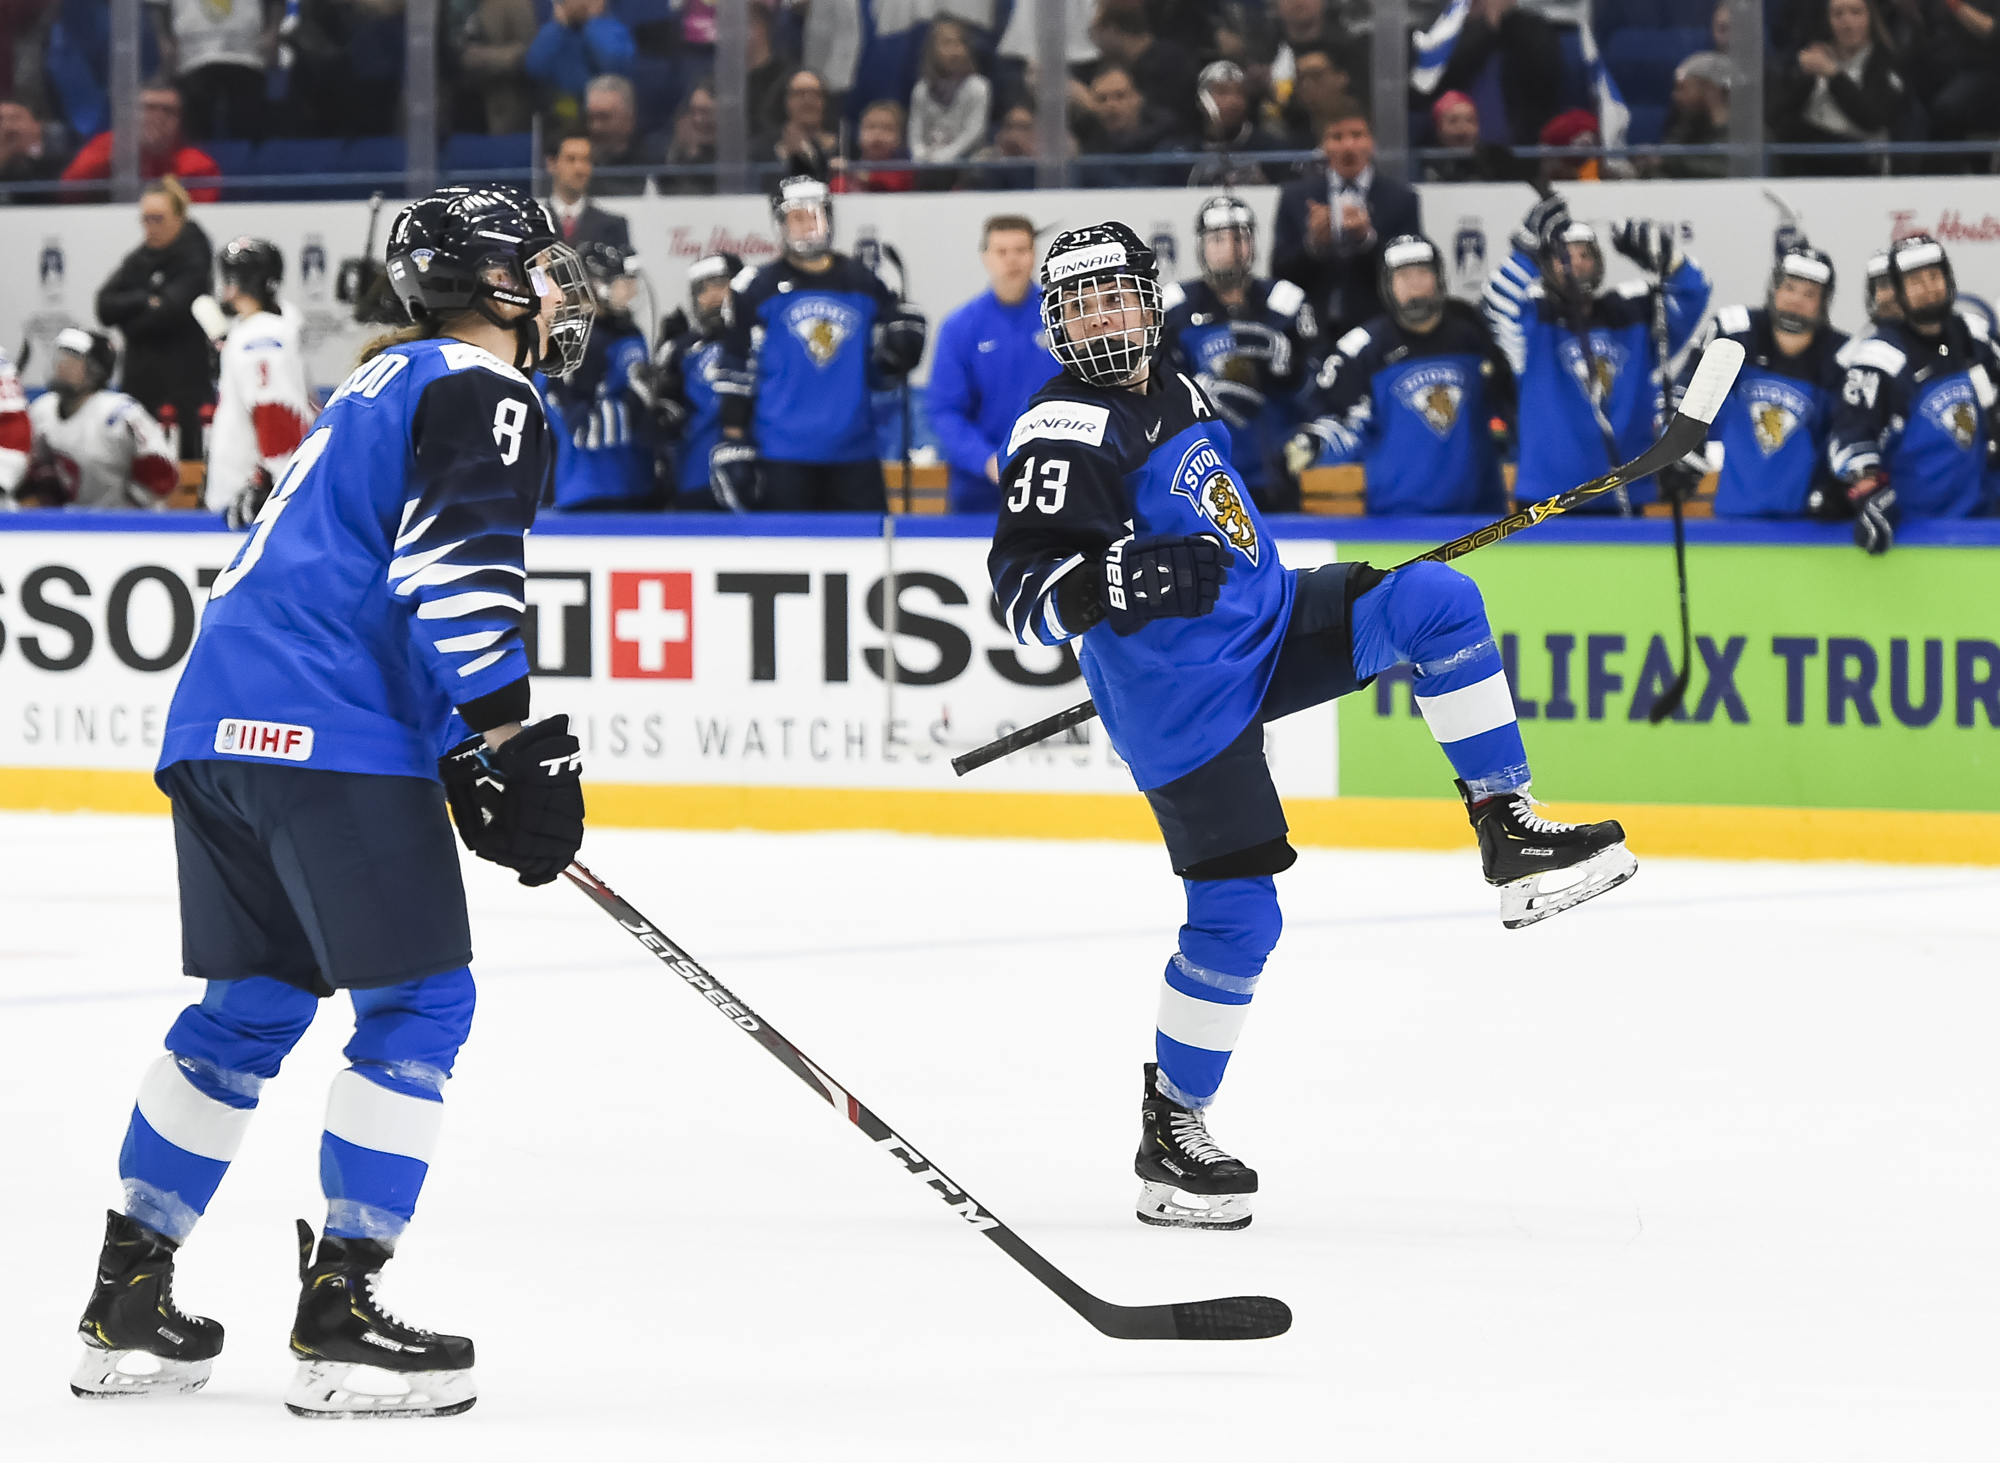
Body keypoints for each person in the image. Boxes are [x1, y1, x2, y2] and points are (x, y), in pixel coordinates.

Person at [988, 221, 1635, 1232]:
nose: (1100, 320)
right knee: (1241, 917)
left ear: (1149, 301)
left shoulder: (1176, 383)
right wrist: (1117, 579)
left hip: (1270, 621)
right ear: (1056, 323)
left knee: (1435, 602)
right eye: (1079, 306)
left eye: (1114, 296)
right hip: (1181, 705)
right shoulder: (1061, 429)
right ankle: (1172, 1126)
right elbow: (1021, 598)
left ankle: (1506, 829)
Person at [69, 183, 592, 1417]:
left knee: (248, 1006)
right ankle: (342, 1313)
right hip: (326, 730)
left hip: (220, 723)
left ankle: (125, 1301)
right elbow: (455, 564)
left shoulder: (377, 380)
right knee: (419, 1001)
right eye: (541, 268)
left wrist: (452, 744)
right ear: (493, 284)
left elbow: (358, 565)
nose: (560, 290)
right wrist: (506, 735)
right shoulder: (482, 384)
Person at [1481, 196, 1712, 508]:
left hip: (1623, 493)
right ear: (1546, 264)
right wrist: (1527, 249)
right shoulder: (1531, 324)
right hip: (1546, 497)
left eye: (1585, 254)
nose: (1576, 263)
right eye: (1564, 255)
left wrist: (1669, 259)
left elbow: (1694, 294)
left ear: (1599, 261)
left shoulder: (1634, 316)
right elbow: (1495, 306)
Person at [712, 175, 926, 512]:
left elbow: (883, 371)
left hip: (855, 453)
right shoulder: (755, 287)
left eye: (815, 215)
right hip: (782, 454)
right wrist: (733, 436)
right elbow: (735, 364)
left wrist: (903, 346)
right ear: (781, 224)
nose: (807, 225)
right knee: (789, 547)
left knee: (865, 546)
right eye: (796, 217)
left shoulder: (865, 282)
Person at [1285, 234, 1515, 514]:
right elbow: (1343, 425)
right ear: (1387, 285)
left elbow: (1511, 408)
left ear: (1439, 278)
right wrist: (1317, 443)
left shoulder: (1474, 337)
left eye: (1422, 273)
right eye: (1403, 276)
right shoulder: (1361, 350)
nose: (1414, 285)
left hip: (1479, 516)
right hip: (1397, 519)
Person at [1825, 233, 2000, 552]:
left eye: (1934, 276)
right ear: (1899, 291)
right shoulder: (1878, 356)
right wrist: (1868, 491)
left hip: (1981, 524)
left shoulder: (1972, 334)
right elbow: (1848, 436)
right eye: (1915, 281)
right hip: (1912, 534)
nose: (1928, 287)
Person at [1161, 195, 1322, 514]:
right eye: (1218, 240)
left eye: (1240, 238)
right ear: (1200, 246)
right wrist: (1192, 392)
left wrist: (1288, 370)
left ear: (1254, 243)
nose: (1230, 250)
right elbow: (1150, 392)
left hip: (1275, 480)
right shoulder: (1174, 306)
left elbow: (1319, 390)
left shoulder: (1286, 302)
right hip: (1200, 478)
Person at [1662, 244, 1847, 517]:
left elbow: (1850, 432)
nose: (1796, 300)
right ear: (1774, 287)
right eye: (1790, 288)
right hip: (1734, 518)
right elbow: (1684, 393)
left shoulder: (1841, 357)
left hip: (1806, 525)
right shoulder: (1735, 332)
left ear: (1825, 301)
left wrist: (1838, 488)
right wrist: (1679, 447)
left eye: (1809, 294)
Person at [95, 177, 215, 485]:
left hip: (183, 390)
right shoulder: (140, 258)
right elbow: (104, 305)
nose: (150, 227)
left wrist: (130, 319)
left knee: (184, 476)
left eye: (158, 219)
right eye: (145, 219)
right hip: (139, 385)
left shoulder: (194, 256)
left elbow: (171, 311)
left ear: (180, 217)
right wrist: (145, 300)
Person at [928, 215, 1049, 514]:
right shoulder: (960, 327)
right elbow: (945, 411)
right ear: (985, 257)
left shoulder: (1061, 321)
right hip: (980, 487)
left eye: (1021, 250)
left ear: (1034, 255)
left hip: (1056, 477)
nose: (1012, 260)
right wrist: (986, 460)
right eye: (1002, 251)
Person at [1272, 101, 1422, 339]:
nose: (1348, 145)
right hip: (1310, 331)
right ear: (1323, 145)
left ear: (1371, 142)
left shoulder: (1401, 199)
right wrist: (1313, 246)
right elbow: (1278, 273)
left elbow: (1412, 271)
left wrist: (1368, 241)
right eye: (1337, 137)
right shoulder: (1295, 198)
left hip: (1379, 330)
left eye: (1357, 135)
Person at [203, 236, 317, 526]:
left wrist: (276, 488)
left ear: (237, 282)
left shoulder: (261, 336)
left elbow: (275, 415)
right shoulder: (264, 330)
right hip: (253, 499)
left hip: (253, 504)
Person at [545, 240, 657, 511]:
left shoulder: (630, 333)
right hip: (589, 490)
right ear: (596, 284)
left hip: (639, 485)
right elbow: (585, 431)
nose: (632, 290)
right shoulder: (571, 344)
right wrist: (638, 397)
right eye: (623, 282)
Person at [19, 328, 178, 507]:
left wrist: (132, 509)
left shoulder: (120, 415)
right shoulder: (42, 410)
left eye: (73, 359)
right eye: (61, 356)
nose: (62, 364)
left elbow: (162, 474)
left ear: (95, 370)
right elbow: (26, 471)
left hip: (118, 520)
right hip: (65, 520)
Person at [1768, 0, 1909, 175]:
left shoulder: (1885, 62)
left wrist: (1833, 75)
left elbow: (1874, 119)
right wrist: (1804, 76)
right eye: (1838, 14)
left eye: (1856, 13)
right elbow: (1777, 116)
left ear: (1870, 18)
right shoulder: (1817, 56)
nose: (1847, 23)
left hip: (1860, 161)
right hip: (1807, 163)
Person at [650, 250, 741, 511]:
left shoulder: (761, 341)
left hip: (751, 472)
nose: (712, 296)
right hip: (697, 476)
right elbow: (664, 423)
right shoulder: (681, 351)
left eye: (720, 285)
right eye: (702, 290)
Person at [1425, 0, 1564, 147]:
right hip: (1454, 148)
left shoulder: (1533, 27)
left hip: (1521, 147)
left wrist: (1508, 18)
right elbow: (1435, 81)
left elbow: (1546, 77)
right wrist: (1489, 24)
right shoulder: (1444, 29)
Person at [60, 86, 220, 203]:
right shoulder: (108, 144)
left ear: (180, 121)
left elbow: (198, 216)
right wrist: (120, 152)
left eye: (168, 111)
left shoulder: (198, 165)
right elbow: (68, 191)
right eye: (149, 108)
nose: (158, 118)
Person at [149, 0, 279, 142]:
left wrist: (273, 33)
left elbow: (276, 3)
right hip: (193, 54)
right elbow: (157, 5)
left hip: (247, 51)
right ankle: (196, 155)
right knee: (195, 127)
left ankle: (252, 155)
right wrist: (163, 40)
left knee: (249, 123)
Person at [1088, 3, 1202, 136]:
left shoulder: (1168, 63)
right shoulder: (1132, 65)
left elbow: (1165, 124)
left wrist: (1089, 105)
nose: (1093, 39)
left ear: (1112, 29)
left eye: (1095, 30)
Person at [1073, 64, 1189, 187]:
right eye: (1102, 99)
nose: (1111, 105)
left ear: (1138, 98)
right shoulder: (1085, 147)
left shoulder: (1165, 145)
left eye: (1120, 96)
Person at [525, 0, 635, 123]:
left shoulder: (613, 28)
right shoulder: (556, 32)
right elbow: (535, 68)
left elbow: (613, 65)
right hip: (565, 113)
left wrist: (592, 19)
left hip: (606, 113)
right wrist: (558, 25)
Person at [1187, 59, 1287, 188]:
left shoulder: (1273, 151)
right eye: (1222, 92)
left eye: (1240, 93)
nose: (1233, 101)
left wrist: (1264, 188)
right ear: (1201, 100)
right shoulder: (1179, 153)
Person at [909, 15, 991, 170]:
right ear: (933, 49)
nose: (954, 51)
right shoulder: (922, 89)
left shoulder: (977, 87)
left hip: (966, 167)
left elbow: (974, 132)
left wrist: (945, 156)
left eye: (960, 43)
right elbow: (915, 133)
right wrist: (919, 154)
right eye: (947, 43)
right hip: (928, 166)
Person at [455, 0, 539, 135]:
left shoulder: (513, 4)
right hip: (454, 97)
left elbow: (531, 51)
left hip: (500, 99)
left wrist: (485, 57)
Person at [544, 127, 633, 254]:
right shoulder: (531, 227)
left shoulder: (613, 226)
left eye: (586, 160)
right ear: (551, 164)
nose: (580, 168)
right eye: (571, 159)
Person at [1656, 52, 1732, 180]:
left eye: (1682, 88)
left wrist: (1672, 161)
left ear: (1710, 88)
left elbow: (1726, 173)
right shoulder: (1685, 130)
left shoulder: (1749, 137)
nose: (1676, 96)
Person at [753, 67, 839, 176]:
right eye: (799, 94)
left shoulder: (845, 149)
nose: (808, 100)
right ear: (785, 101)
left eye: (816, 93)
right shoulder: (761, 151)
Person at [583, 74, 659, 197]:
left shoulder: (653, 162)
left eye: (604, 117)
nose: (595, 127)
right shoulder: (579, 163)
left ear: (629, 120)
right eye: (591, 118)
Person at [832, 99, 916, 193]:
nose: (877, 134)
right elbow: (836, 190)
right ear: (859, 134)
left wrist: (866, 177)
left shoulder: (904, 171)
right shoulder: (846, 174)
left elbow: (896, 185)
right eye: (871, 127)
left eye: (887, 128)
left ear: (899, 137)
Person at [660, 80, 719, 195]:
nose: (698, 119)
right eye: (693, 111)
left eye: (705, 112)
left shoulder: (736, 152)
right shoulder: (677, 151)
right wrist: (690, 152)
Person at [968, 100, 1041, 190]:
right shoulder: (988, 160)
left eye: (1022, 127)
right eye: (1010, 126)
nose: (1015, 134)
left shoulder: (1044, 167)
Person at [0, 99, 62, 203]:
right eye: (0, 120)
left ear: (38, 124)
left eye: (15, 118)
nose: (7, 125)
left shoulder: (60, 156)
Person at [1422, 90, 1491, 182]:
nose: (1463, 129)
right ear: (1438, 128)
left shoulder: (1490, 165)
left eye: (1469, 120)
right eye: (1453, 121)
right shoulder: (1424, 168)